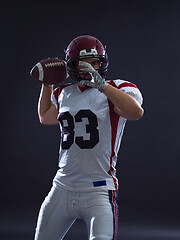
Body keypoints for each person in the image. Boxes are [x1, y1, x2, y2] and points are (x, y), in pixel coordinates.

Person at [34, 35, 144, 240]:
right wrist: (47, 83)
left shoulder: (118, 88)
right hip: (62, 187)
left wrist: (102, 86)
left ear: (102, 62)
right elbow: (45, 117)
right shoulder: (63, 92)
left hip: (98, 190)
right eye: (82, 63)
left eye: (94, 62)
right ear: (71, 66)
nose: (89, 67)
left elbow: (135, 112)